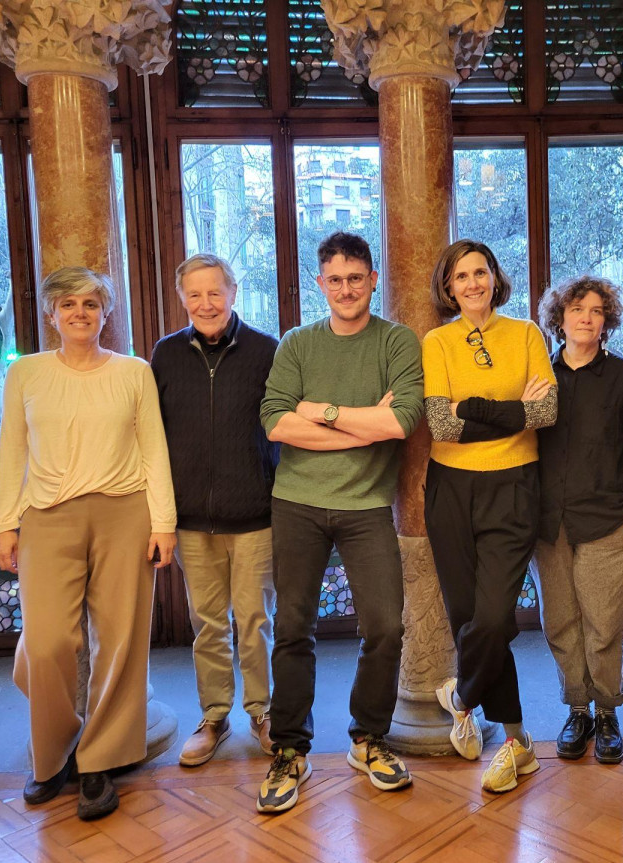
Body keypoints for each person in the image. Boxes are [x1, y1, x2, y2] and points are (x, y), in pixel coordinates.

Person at [0, 267, 176, 821]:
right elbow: (12, 450)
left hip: (125, 513)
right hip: (46, 517)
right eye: (68, 304)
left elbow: (154, 449)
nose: (79, 313)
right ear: (52, 315)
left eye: (90, 304)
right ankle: (52, 754)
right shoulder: (26, 373)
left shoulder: (133, 372)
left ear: (104, 313)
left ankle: (101, 760)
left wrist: (163, 523)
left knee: (120, 641)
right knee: (47, 641)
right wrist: (5, 524)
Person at [255, 232, 423, 814]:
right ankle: (289, 750)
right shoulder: (298, 343)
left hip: (366, 506)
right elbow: (275, 422)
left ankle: (368, 739)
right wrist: (362, 424)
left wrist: (321, 412)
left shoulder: (396, 341)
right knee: (292, 629)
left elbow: (399, 423)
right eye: (335, 279)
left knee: (386, 627)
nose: (346, 289)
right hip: (296, 503)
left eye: (356, 278)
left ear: (373, 280)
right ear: (320, 284)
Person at [423, 239, 557, 794]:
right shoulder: (437, 341)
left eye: (481, 272)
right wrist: (512, 411)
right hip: (450, 488)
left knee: (495, 616)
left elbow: (546, 412)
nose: (473, 283)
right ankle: (517, 741)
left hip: (514, 485)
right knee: (467, 615)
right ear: (448, 287)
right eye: (461, 276)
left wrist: (472, 408)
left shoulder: (526, 334)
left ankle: (461, 696)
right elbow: (440, 425)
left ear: (496, 278)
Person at [152, 254, 279, 767]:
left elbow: (285, 428)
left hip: (254, 516)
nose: (205, 303)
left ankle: (263, 711)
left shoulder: (267, 350)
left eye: (214, 292)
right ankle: (215, 716)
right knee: (208, 625)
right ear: (181, 298)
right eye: (194, 294)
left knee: (254, 621)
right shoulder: (165, 355)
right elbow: (152, 437)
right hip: (191, 521)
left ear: (232, 293)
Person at [531, 275, 623, 764]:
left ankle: (607, 712)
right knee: (561, 622)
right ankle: (578, 709)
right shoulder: (538, 377)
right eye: (577, 309)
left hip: (608, 521)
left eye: (596, 311)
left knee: (604, 625)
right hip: (549, 523)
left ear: (607, 322)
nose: (586, 318)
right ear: (559, 319)